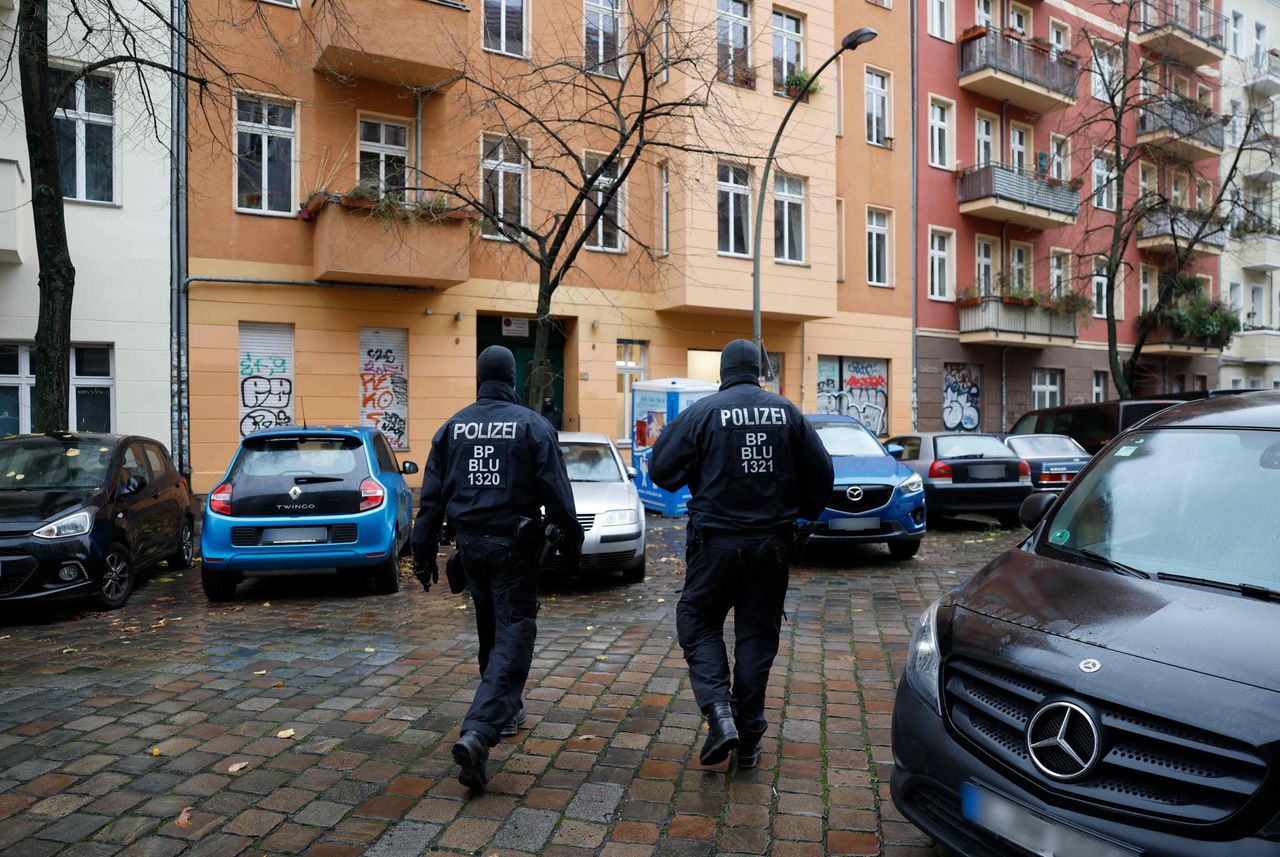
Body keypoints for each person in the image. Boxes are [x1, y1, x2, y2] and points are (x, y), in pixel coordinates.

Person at [649, 339, 833, 769]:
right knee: (757, 638)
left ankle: (719, 713)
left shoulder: (702, 413)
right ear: (758, 371)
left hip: (714, 545)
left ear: (723, 372)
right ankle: (748, 738)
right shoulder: (786, 412)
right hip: (772, 546)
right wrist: (802, 515)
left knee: (697, 620)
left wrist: (697, 470)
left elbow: (661, 470)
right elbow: (823, 473)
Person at [411, 345, 583, 793]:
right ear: (512, 379)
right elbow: (558, 494)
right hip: (513, 549)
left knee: (490, 628)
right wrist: (572, 547)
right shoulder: (532, 425)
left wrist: (422, 554)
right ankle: (479, 730)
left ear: (479, 379)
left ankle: (508, 709)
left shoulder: (452, 428)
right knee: (514, 634)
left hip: (470, 548)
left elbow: (432, 499)